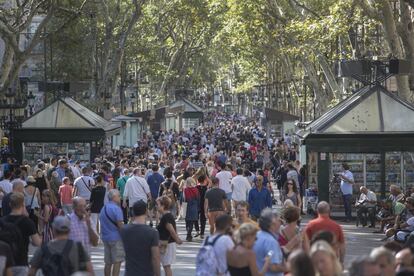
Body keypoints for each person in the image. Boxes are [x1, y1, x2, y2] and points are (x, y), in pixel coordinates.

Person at [28, 216, 94, 276]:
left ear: (54, 230)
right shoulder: (78, 247)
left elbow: (31, 272)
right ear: (69, 230)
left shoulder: (43, 248)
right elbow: (90, 271)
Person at [2, 192, 42, 276]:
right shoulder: (27, 222)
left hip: (4, 262)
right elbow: (37, 242)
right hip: (21, 261)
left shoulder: (3, 221)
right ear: (23, 204)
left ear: (10, 204)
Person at [120, 200, 160, 276]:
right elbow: (155, 257)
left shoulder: (124, 231)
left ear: (133, 212)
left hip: (130, 273)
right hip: (146, 273)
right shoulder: (152, 232)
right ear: (146, 211)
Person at [253, 208, 288, 276]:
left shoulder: (257, 235)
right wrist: (290, 267)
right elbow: (273, 267)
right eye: (279, 220)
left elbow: (268, 254)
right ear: (272, 224)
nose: (281, 223)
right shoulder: (271, 242)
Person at [99, 189, 124, 276]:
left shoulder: (103, 208)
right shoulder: (116, 209)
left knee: (108, 262)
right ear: (114, 197)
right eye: (119, 196)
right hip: (116, 238)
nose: (120, 197)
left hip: (106, 237)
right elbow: (120, 225)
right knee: (117, 262)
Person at [156, 196, 183, 276]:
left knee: (166, 266)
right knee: (166, 266)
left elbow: (171, 230)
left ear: (163, 206)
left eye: (158, 204)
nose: (156, 206)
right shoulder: (167, 216)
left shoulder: (166, 217)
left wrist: (177, 239)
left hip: (167, 244)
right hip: (167, 244)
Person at [183, 177, 200, 241]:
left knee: (187, 221)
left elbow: (184, 199)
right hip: (194, 206)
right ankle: (189, 235)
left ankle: (188, 234)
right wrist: (198, 207)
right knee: (192, 222)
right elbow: (198, 199)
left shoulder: (185, 190)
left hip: (187, 206)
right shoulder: (196, 190)